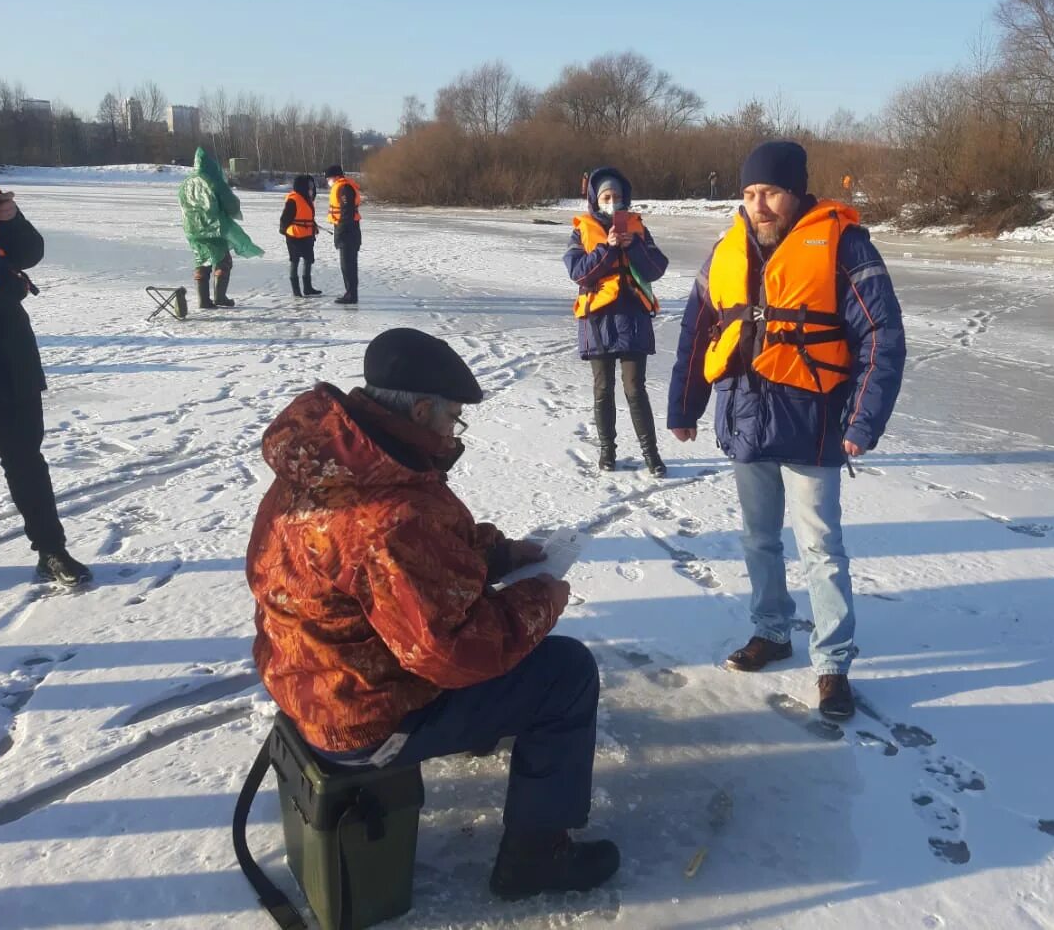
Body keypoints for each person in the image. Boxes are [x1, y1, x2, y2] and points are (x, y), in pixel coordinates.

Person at [247, 327, 619, 900]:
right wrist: (542, 598)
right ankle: (536, 858)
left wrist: (494, 554)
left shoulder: (329, 460)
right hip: (358, 717)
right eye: (452, 417)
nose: (454, 431)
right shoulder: (391, 514)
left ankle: (479, 729)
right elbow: (452, 653)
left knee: (499, 646)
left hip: (304, 675)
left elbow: (393, 570)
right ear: (421, 410)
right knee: (566, 672)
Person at [667, 141, 906, 720]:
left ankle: (832, 663)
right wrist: (684, 405)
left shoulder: (844, 246)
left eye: (769, 192)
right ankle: (772, 632)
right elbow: (698, 331)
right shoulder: (726, 251)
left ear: (797, 192)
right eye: (749, 194)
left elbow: (882, 336)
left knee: (821, 547)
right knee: (758, 540)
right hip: (745, 418)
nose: (759, 205)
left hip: (813, 423)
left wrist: (863, 421)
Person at [0, 166, 91, 585]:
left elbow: (28, 255)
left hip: (2, 336)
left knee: (24, 453)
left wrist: (12, 218)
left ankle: (51, 550)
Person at [563, 167, 669, 477]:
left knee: (636, 389)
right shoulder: (581, 231)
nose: (613, 203)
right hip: (598, 321)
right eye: (607, 197)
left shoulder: (637, 229)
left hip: (632, 318)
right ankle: (607, 452)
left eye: (618, 197)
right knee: (602, 389)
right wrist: (607, 249)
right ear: (596, 200)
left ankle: (652, 454)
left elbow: (656, 268)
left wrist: (632, 246)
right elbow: (578, 272)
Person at [177, 147, 263, 310]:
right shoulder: (212, 180)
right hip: (214, 227)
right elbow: (230, 203)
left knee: (201, 259)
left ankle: (203, 300)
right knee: (223, 260)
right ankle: (220, 297)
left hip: (193, 228)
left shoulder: (186, 183)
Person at [278, 174, 322, 299]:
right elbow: (285, 218)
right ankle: (296, 291)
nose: (311, 189)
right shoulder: (294, 199)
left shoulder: (308, 199)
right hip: (294, 236)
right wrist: (283, 230)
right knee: (295, 261)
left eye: (312, 186)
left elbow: (308, 216)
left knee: (308, 260)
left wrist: (313, 226)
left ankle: (308, 288)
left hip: (307, 235)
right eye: (309, 186)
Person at [324, 165, 361, 305]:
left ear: (335, 176)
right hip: (346, 229)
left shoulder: (344, 188)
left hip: (348, 231)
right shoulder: (341, 187)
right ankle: (350, 293)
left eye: (328, 177)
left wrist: (340, 232)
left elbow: (347, 212)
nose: (328, 181)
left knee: (348, 265)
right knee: (347, 265)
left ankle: (351, 295)